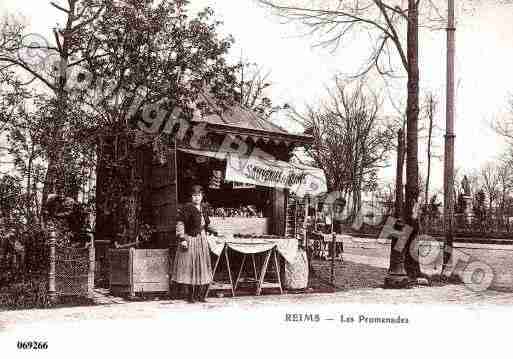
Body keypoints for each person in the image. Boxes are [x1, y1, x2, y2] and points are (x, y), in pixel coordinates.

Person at [171, 185, 218, 303]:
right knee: (190, 267)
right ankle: (190, 296)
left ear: (202, 197)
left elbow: (206, 224)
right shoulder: (187, 208)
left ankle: (200, 295)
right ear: (191, 197)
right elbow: (180, 223)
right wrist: (182, 238)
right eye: (194, 196)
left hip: (201, 240)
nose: (196, 198)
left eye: (198, 196)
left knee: (201, 266)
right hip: (191, 239)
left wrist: (215, 231)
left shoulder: (204, 208)